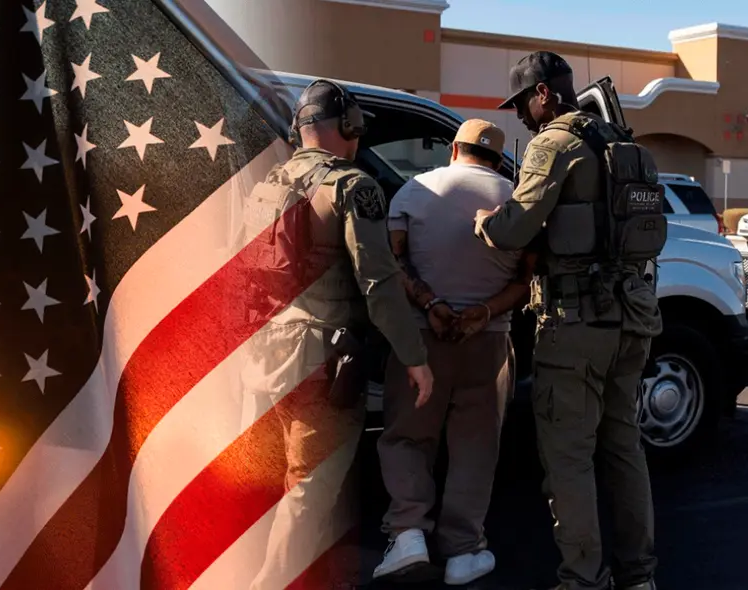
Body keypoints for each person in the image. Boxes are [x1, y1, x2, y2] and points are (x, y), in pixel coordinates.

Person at [474, 51, 664, 590]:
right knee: (625, 448)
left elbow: (514, 227)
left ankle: (582, 580)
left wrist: (485, 222)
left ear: (542, 95)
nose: (521, 118)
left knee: (570, 458)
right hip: (632, 318)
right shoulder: (628, 149)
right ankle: (639, 576)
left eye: (522, 105)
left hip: (576, 324)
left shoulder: (553, 144)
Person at [238, 79, 434, 589]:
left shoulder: (268, 184)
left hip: (263, 356)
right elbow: (379, 283)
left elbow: (242, 273)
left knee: (283, 482)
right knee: (310, 487)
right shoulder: (354, 186)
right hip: (322, 358)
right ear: (346, 126)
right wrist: (414, 357)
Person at [372, 119, 531, 585]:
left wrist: (431, 303)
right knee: (476, 446)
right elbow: (526, 280)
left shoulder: (414, 190)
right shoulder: (516, 200)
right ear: (500, 159)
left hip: (422, 338)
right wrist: (481, 312)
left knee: (406, 436)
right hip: (488, 341)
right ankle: (463, 551)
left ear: (454, 149)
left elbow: (391, 261)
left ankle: (407, 534)